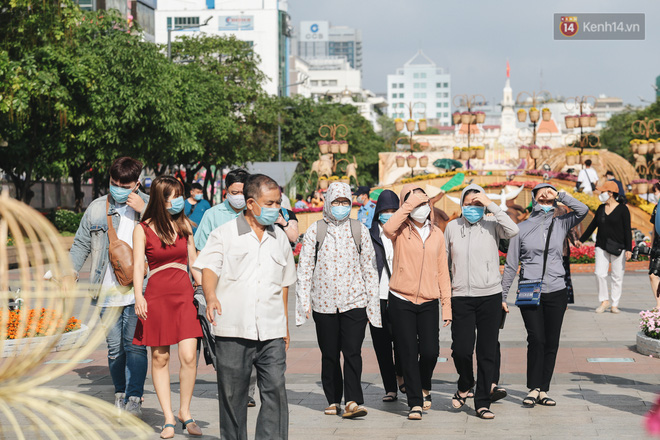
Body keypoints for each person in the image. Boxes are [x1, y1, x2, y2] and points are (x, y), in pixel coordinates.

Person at [193, 174, 296, 440]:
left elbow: (284, 285)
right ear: (251, 203)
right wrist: (211, 295)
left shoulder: (280, 238)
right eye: (270, 203)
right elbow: (209, 268)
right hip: (233, 330)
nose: (276, 209)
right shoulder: (224, 234)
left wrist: (284, 326)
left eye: (278, 203)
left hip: (271, 331)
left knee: (275, 390)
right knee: (232, 397)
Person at [67, 156, 149, 416]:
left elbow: (169, 233)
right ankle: (120, 392)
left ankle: (134, 398)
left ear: (136, 184)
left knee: (135, 345)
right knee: (115, 349)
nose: (118, 189)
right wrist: (71, 270)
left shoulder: (148, 206)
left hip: (139, 290)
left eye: (125, 186)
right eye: (114, 183)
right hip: (106, 291)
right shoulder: (95, 208)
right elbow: (81, 242)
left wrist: (145, 211)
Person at [296, 182, 381, 419]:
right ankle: (333, 399)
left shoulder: (359, 230)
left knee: (353, 351)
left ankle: (353, 400)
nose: (341, 206)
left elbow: (370, 269)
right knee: (330, 353)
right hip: (324, 304)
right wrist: (303, 303)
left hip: (354, 302)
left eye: (345, 202)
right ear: (328, 202)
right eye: (336, 202)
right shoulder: (316, 230)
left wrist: (372, 306)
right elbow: (304, 268)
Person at [502, 183, 588, 408]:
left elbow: (583, 211)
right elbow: (511, 265)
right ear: (533, 200)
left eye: (550, 197)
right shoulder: (520, 228)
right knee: (536, 339)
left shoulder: (561, 223)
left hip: (557, 290)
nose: (546, 198)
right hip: (529, 289)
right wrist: (502, 295)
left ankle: (543, 389)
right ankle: (533, 387)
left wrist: (561, 195)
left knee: (551, 341)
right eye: (541, 195)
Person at [132, 176, 204, 439]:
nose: (176, 201)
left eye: (179, 195)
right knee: (160, 357)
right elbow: (139, 265)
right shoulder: (143, 228)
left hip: (184, 296)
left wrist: (208, 291)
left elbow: (194, 261)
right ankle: (169, 417)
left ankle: (185, 412)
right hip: (157, 297)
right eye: (170, 196)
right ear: (159, 200)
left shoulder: (185, 224)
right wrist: (138, 296)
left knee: (188, 356)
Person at [445, 184, 519, 420]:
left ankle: (482, 402)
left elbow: (513, 230)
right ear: (461, 205)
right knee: (461, 350)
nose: (473, 208)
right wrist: (446, 297)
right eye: (469, 204)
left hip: (489, 296)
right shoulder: (452, 227)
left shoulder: (492, 225)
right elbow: (445, 263)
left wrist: (490, 204)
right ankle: (465, 382)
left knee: (487, 352)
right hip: (461, 298)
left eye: (477, 204)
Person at [382, 184, 452, 421]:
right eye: (415, 204)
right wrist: (409, 204)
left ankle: (423, 384)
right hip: (401, 298)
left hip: (429, 301)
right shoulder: (400, 230)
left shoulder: (437, 234)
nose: (421, 208)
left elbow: (443, 271)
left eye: (424, 203)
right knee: (408, 352)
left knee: (430, 352)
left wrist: (447, 306)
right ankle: (415, 402)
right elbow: (387, 227)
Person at [368, 189, 404, 402]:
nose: (389, 214)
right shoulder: (369, 234)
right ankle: (390, 387)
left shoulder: (403, 232)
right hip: (376, 298)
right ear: (378, 212)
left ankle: (401, 375)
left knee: (402, 341)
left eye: (393, 210)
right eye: (385, 210)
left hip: (399, 295)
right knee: (381, 345)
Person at [577, 180, 632, 314]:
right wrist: (581, 240)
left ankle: (615, 304)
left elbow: (627, 230)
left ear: (611, 193)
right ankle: (604, 301)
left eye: (602, 192)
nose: (600, 194)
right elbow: (592, 226)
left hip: (619, 247)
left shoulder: (623, 209)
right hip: (601, 245)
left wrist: (629, 249)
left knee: (617, 276)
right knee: (599, 273)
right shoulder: (601, 208)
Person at [194, 169, 249, 251]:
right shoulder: (212, 214)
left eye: (243, 192)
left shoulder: (256, 213)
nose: (239, 196)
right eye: (234, 193)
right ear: (226, 190)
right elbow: (201, 249)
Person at [649, 183, 660, 309]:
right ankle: (658, 304)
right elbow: (653, 227)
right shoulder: (657, 208)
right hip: (657, 245)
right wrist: (651, 247)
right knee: (653, 274)